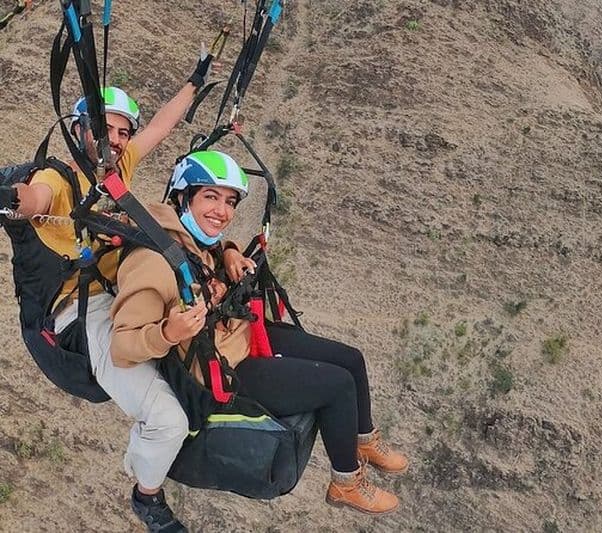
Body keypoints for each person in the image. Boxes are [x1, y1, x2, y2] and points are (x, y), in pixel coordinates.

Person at [109, 150, 409, 522]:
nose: (222, 211)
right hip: (227, 369)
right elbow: (122, 347)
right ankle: (345, 482)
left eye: (229, 201)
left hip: (243, 336)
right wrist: (168, 332)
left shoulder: (194, 237)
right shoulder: (153, 262)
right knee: (337, 385)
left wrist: (231, 252)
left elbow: (214, 250)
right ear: (183, 197)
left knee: (352, 358)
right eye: (211, 197)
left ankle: (364, 441)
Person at [0, 55, 213, 533]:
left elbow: (160, 126)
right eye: (107, 131)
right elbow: (34, 197)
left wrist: (195, 80)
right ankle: (147, 495)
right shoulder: (62, 178)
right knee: (168, 420)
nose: (116, 141)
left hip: (123, 291)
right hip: (84, 311)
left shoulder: (117, 169)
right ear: (80, 131)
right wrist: (15, 200)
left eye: (122, 133)